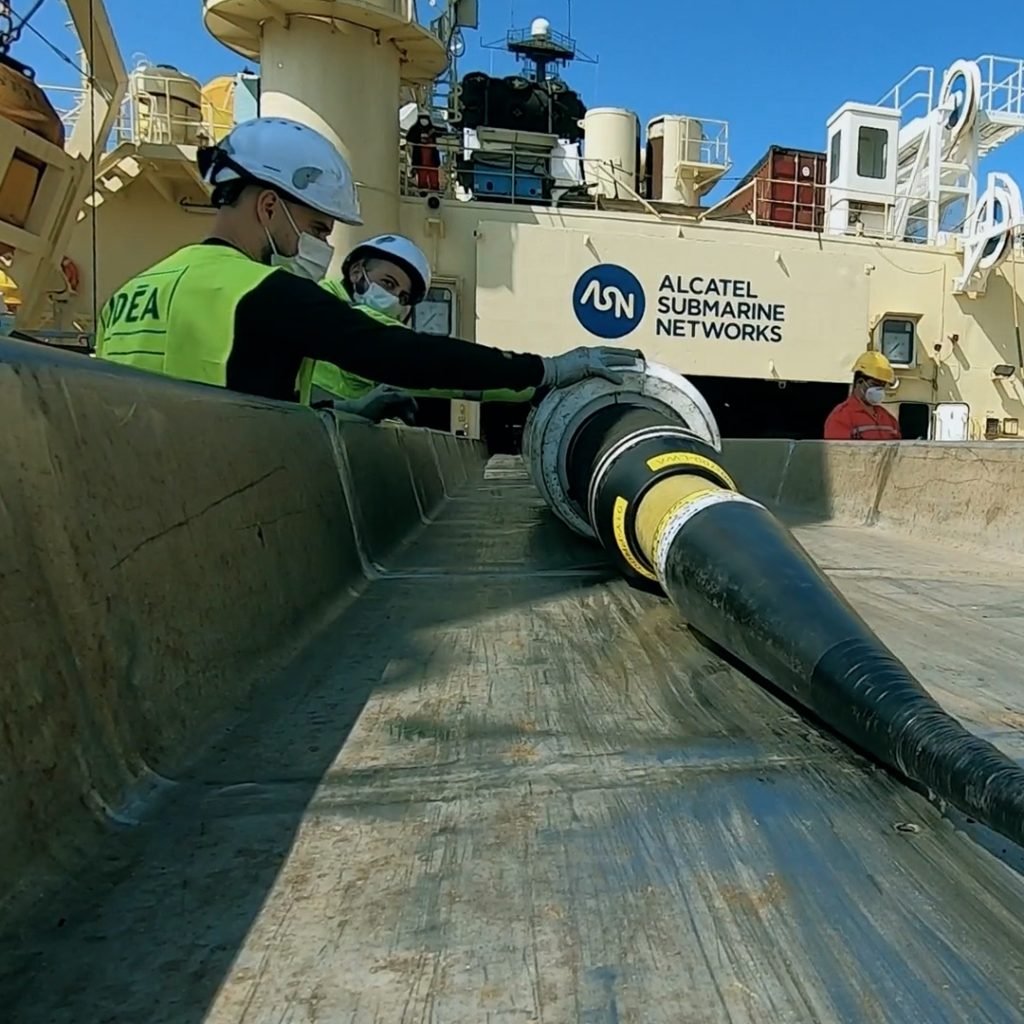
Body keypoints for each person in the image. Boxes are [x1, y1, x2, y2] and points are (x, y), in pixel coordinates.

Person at [94, 116, 641, 403]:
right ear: (267, 206)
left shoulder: (128, 291)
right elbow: (397, 354)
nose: (317, 245)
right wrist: (544, 370)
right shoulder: (259, 292)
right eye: (315, 227)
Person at [312, 234, 534, 422]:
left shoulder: (321, 298)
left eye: (403, 296)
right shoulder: (341, 313)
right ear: (357, 273)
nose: (393, 299)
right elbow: (439, 365)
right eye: (388, 283)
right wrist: (534, 379)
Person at [824, 352, 902, 440]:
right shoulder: (841, 417)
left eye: (882, 386)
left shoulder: (888, 419)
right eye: (875, 384)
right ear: (859, 382)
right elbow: (838, 452)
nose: (879, 390)